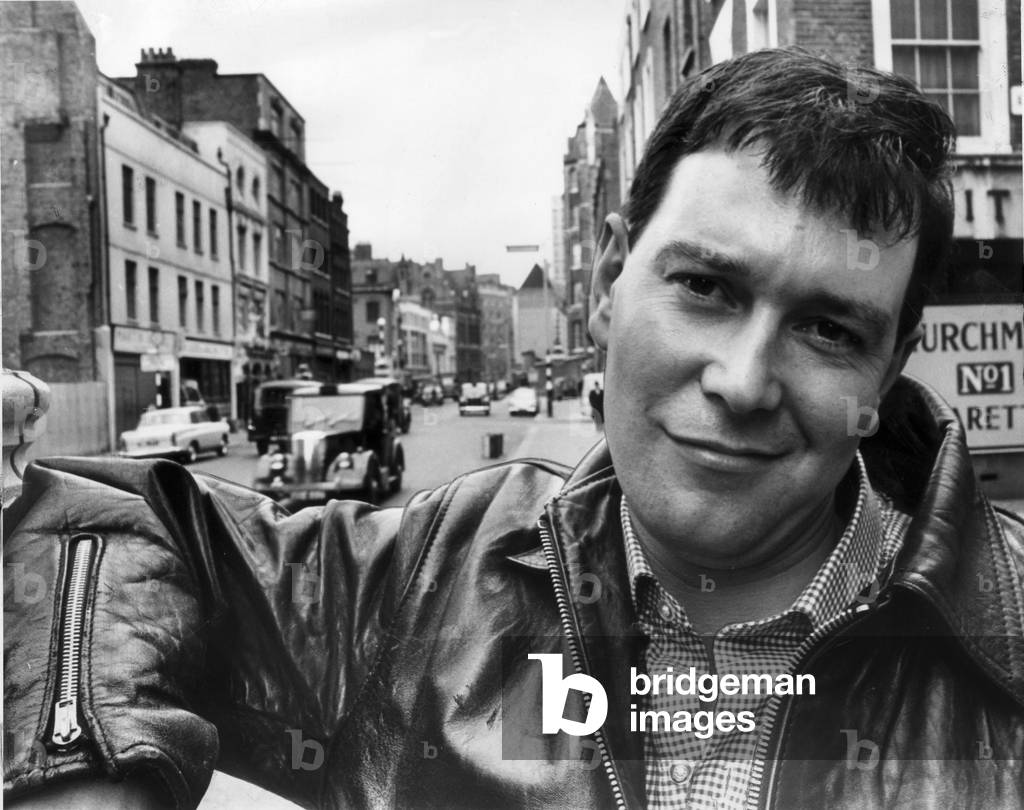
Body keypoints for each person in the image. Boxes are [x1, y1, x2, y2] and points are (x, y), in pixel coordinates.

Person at [5, 48, 1023, 810]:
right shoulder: (414, 588)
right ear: (611, 276)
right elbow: (87, 535)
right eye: (706, 286)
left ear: (887, 369)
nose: (743, 380)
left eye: (827, 329)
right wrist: (86, 764)